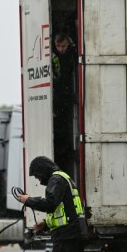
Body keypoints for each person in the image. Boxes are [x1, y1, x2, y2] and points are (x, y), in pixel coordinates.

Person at [52, 33, 77, 175]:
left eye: (63, 46)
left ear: (68, 44)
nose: (61, 49)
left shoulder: (72, 52)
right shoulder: (52, 56)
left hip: (67, 97)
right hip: (59, 99)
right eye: (58, 46)